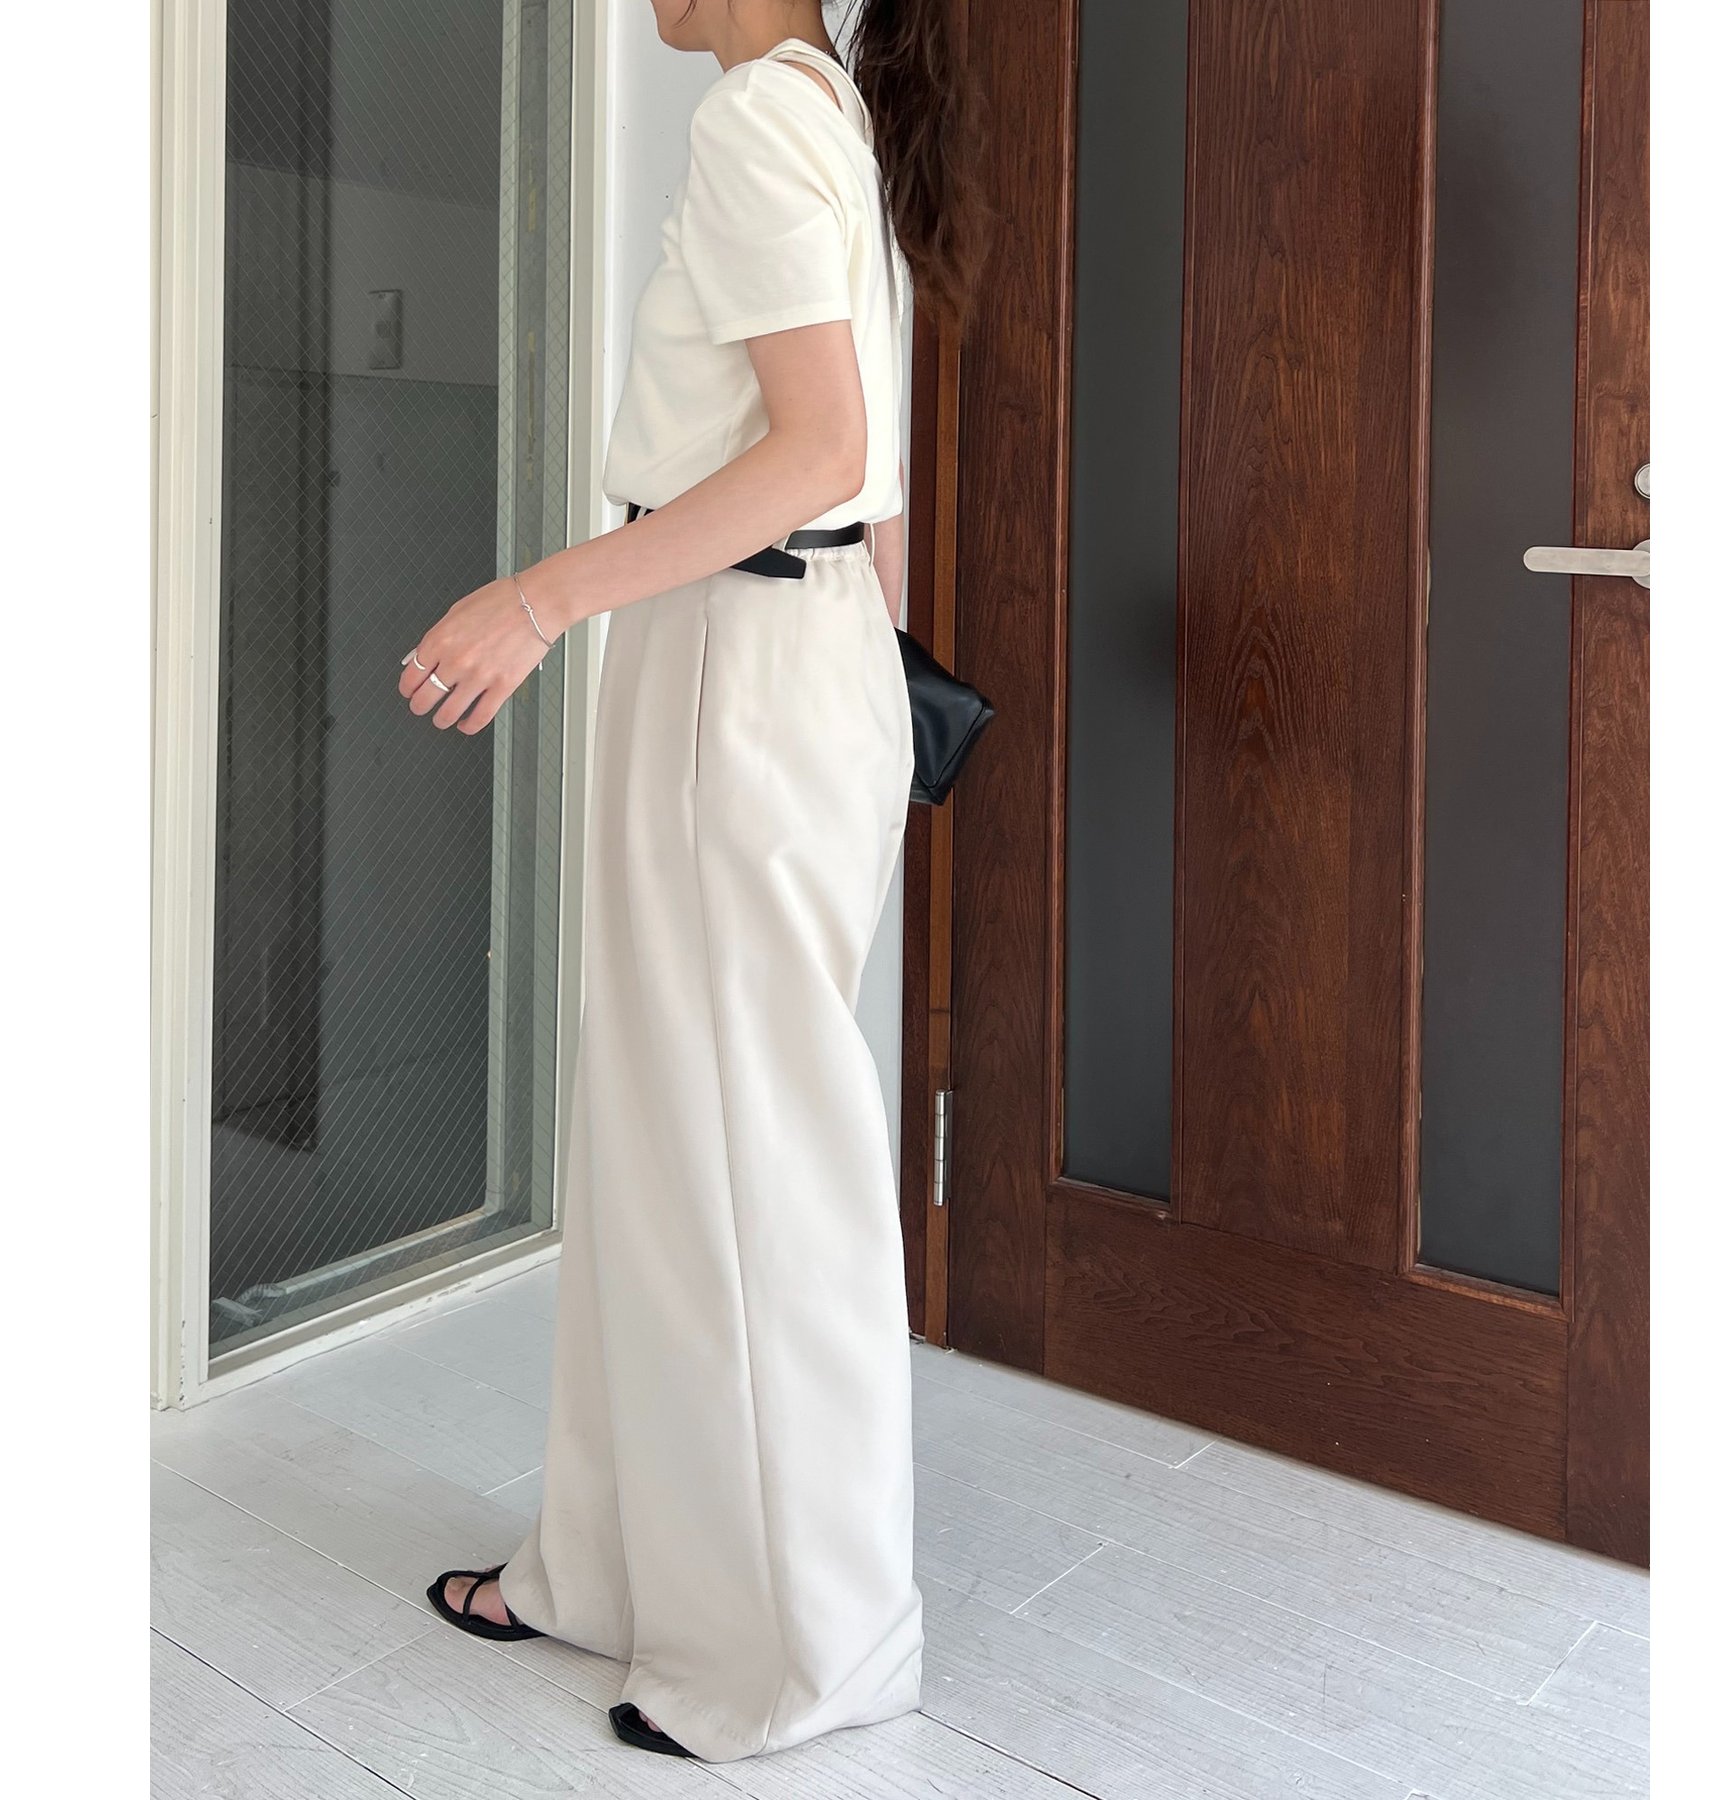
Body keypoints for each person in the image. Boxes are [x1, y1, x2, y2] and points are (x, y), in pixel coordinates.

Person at [398, 0, 987, 1766]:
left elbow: (820, 450)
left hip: (743, 658)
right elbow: (869, 473)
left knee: (754, 1168)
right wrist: (877, 679)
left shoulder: (762, 121)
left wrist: (537, 600)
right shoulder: (821, 111)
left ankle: (813, 1650)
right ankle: (610, 1566)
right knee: (666, 1142)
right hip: (777, 649)